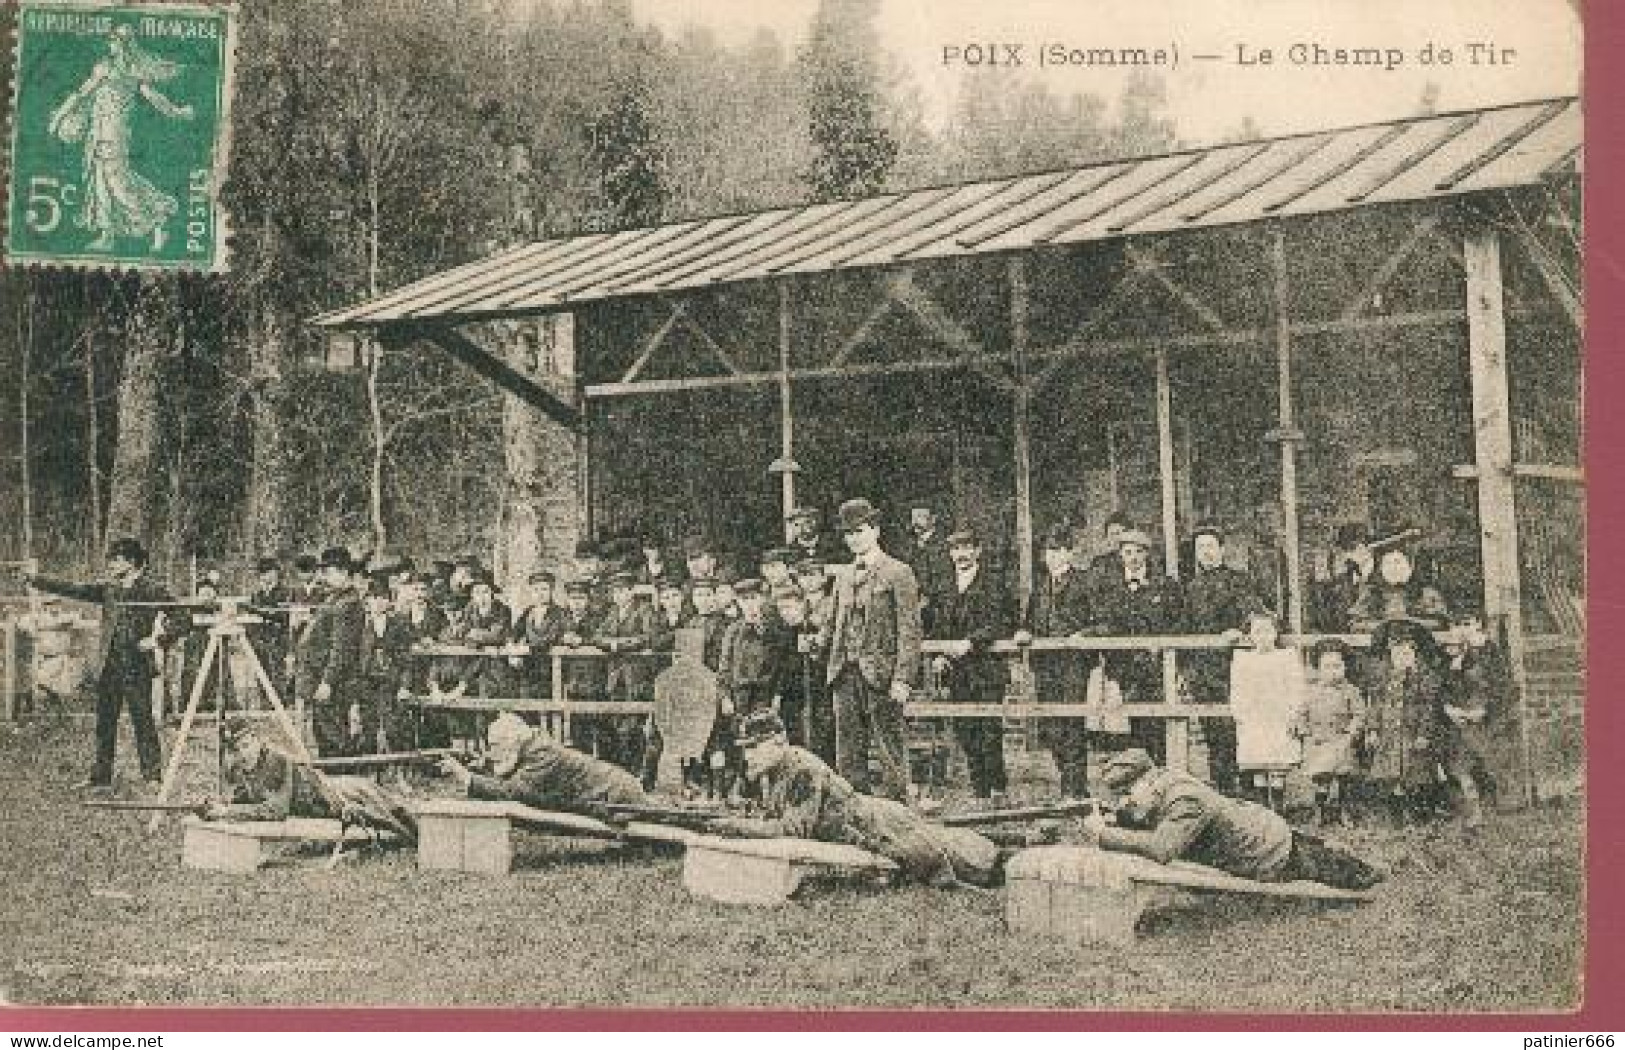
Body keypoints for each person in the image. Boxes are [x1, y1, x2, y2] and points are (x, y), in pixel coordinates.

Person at [710, 711, 1000, 888]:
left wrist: (735, 827)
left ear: (779, 743)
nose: (748, 755)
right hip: (869, 818)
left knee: (952, 859)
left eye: (754, 747)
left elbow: (793, 830)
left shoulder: (801, 769)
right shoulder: (774, 770)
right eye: (745, 748)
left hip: (874, 824)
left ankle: (1004, 855)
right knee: (940, 839)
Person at [1086, 748, 1384, 891]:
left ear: (1147, 780)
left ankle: (1370, 872)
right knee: (1323, 853)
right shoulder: (1164, 782)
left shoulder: (1185, 799)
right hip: (1256, 830)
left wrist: (1104, 834)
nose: (1125, 802)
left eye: (1126, 793)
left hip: (1268, 853)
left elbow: (1162, 848)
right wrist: (1120, 817)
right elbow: (1149, 815)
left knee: (1351, 878)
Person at [27, 537, 188, 791]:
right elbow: (73, 588)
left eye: (117, 560)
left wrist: (158, 639)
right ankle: (101, 777)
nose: (111, 566)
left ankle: (152, 777)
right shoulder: (108, 589)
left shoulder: (152, 589)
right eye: (111, 561)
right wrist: (36, 580)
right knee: (105, 723)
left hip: (137, 667)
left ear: (133, 563)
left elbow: (183, 617)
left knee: (143, 722)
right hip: (109, 668)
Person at [47, 24, 194, 252]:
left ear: (123, 44)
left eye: (114, 40)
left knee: (118, 181)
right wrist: (60, 115)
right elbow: (82, 93)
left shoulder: (131, 70)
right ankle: (107, 235)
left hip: (115, 133)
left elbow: (153, 97)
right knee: (99, 179)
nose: (110, 44)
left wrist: (177, 111)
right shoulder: (106, 67)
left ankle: (158, 222)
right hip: (98, 130)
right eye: (111, 40)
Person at [824, 498, 924, 802]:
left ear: (876, 530)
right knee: (848, 752)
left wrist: (903, 679)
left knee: (888, 748)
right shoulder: (842, 576)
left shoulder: (898, 572)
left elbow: (910, 630)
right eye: (848, 533)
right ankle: (853, 813)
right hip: (844, 673)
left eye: (860, 530)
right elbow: (834, 623)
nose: (854, 538)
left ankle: (896, 812)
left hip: (881, 675)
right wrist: (820, 645)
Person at [202, 716, 416, 842]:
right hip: (322, 794)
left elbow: (276, 811)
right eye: (237, 749)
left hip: (331, 797)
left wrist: (228, 812)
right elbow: (247, 798)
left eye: (247, 746)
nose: (243, 754)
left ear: (258, 740)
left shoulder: (275, 762)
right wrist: (223, 804)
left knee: (393, 811)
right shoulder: (243, 767)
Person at [1082, 528, 1185, 762]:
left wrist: (1161, 643)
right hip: (1124, 668)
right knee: (1131, 728)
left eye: (1139, 552)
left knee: (1158, 726)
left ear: (1147, 554)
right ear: (1121, 555)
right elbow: (1104, 621)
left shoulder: (1165, 585)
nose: (1134, 557)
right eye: (1128, 552)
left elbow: (1178, 621)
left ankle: (1163, 777)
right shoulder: (1111, 589)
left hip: (1157, 667)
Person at [928, 529, 1014, 804]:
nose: (961, 555)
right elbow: (937, 625)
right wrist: (939, 654)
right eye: (955, 549)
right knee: (966, 731)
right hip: (958, 671)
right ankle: (980, 792)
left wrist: (971, 643)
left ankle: (997, 789)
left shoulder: (993, 583)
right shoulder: (944, 586)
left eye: (966, 548)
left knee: (990, 731)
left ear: (977, 551)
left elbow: (1000, 622)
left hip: (987, 668)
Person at [1180, 523, 1267, 794]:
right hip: (1204, 669)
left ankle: (1250, 788)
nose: (1205, 552)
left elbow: (1256, 615)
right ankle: (1223, 789)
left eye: (1210, 546)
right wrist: (1186, 670)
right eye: (1200, 548)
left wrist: (1239, 631)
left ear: (1222, 549)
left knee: (1239, 726)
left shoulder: (1239, 580)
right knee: (1213, 731)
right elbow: (1185, 627)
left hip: (1235, 666)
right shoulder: (1191, 587)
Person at [437, 712, 649, 814]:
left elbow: (513, 791)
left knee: (666, 818)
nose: (493, 752)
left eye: (495, 745)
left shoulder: (542, 755)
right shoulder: (533, 746)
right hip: (614, 791)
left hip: (618, 797)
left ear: (513, 740)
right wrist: (483, 766)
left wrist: (467, 777)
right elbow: (511, 769)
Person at [1019, 524, 1096, 799]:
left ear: (1070, 553)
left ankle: (1074, 789)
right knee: (1051, 726)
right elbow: (1029, 622)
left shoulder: (1084, 582)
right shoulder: (1040, 588)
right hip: (1045, 663)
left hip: (1073, 663)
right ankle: (1069, 780)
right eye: (1048, 551)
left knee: (1072, 723)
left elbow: (1100, 622)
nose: (1051, 556)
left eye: (1057, 550)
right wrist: (1025, 632)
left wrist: (1083, 635)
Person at [1363, 619, 1449, 826]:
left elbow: (1429, 709)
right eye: (1396, 654)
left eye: (1406, 654)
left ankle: (1419, 812)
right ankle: (1396, 815)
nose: (1402, 659)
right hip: (1390, 736)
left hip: (1412, 736)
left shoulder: (1424, 679)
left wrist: (1423, 734)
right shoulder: (1384, 680)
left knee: (1416, 775)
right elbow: (1375, 706)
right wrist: (1373, 730)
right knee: (1392, 775)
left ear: (1415, 655)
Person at [1229, 611, 1307, 812]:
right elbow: (1237, 689)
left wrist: (1294, 713)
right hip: (1255, 715)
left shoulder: (1286, 657)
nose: (1263, 636)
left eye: (1267, 631)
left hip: (1278, 713)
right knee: (1258, 761)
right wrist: (1240, 714)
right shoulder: (1244, 660)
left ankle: (1278, 808)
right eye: (1257, 632)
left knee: (1277, 760)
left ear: (1276, 633)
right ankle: (1263, 807)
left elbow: (1296, 686)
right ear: (1250, 636)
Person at [294, 547, 366, 758]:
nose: (324, 577)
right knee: (323, 733)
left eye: (329, 571)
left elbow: (342, 648)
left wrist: (328, 681)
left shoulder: (349, 604)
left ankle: (344, 780)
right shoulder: (334, 599)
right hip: (320, 678)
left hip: (335, 682)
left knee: (335, 735)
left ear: (344, 573)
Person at [1438, 616, 1506, 828]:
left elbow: (1486, 690)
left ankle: (1487, 807)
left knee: (1480, 762)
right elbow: (1440, 692)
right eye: (1448, 646)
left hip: (1475, 722)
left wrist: (1477, 711)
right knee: (1458, 768)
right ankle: (1471, 810)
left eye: (1456, 646)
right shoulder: (1443, 666)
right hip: (1454, 724)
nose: (1452, 649)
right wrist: (1448, 709)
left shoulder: (1477, 663)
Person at [590, 570, 659, 777]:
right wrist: (611, 643)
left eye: (622, 591)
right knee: (616, 723)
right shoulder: (612, 613)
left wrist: (618, 645)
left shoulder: (644, 610)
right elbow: (597, 637)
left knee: (635, 725)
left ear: (631, 592)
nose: (618, 596)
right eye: (615, 592)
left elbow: (648, 637)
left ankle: (638, 773)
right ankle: (622, 773)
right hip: (615, 677)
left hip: (636, 676)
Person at [1300, 638, 1367, 827]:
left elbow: (1359, 714)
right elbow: (1302, 713)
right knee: (1322, 779)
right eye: (1327, 667)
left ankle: (1343, 811)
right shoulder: (1311, 692)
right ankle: (1320, 810)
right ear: (1318, 669)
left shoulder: (1351, 691)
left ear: (1345, 668)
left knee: (1343, 778)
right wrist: (1304, 729)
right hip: (1320, 740)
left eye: (1337, 666)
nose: (1333, 671)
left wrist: (1351, 732)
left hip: (1342, 740)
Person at [1349, 543, 1450, 632]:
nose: (1395, 567)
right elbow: (1355, 624)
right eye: (1389, 562)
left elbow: (1441, 623)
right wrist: (1387, 625)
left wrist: (1409, 622)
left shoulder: (1427, 593)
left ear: (1410, 565)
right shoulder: (1371, 594)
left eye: (1399, 561)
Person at [510, 570, 570, 699]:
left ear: (551, 591)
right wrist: (512, 651)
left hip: (551, 667)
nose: (540, 594)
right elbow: (514, 633)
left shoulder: (559, 613)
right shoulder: (527, 613)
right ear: (531, 592)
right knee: (528, 706)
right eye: (536, 590)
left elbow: (552, 638)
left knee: (550, 706)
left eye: (544, 589)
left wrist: (527, 648)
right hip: (529, 666)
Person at [902, 505, 953, 618]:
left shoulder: (944, 546)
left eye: (920, 517)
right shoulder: (910, 546)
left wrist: (926, 598)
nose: (915, 522)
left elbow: (945, 584)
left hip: (937, 609)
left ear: (933, 519)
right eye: (913, 518)